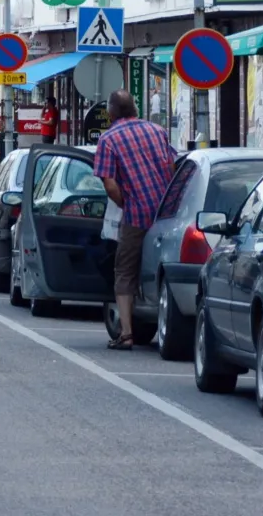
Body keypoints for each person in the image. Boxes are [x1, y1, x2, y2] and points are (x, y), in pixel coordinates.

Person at [93, 89, 175, 351]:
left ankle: (127, 334)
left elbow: (109, 184)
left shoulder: (108, 139)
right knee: (164, 268)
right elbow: (172, 166)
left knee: (124, 271)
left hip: (137, 216)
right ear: (136, 109)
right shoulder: (158, 131)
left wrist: (126, 205)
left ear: (110, 113)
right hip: (167, 214)